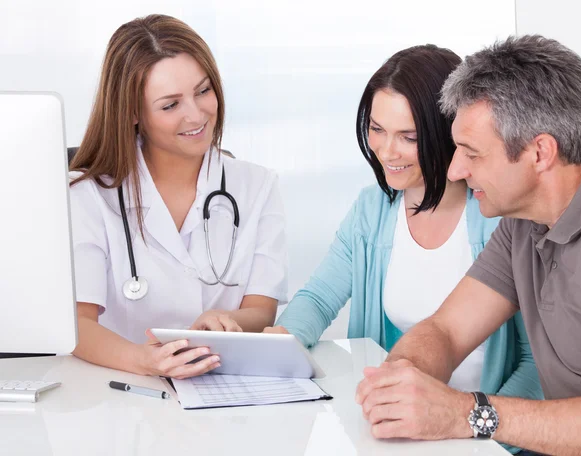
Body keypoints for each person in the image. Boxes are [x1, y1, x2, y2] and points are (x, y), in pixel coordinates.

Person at [265, 45, 541, 453]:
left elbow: (535, 366)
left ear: (451, 132)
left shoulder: (500, 217)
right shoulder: (373, 211)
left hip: (486, 437)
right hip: (400, 436)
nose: (386, 151)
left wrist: (481, 438)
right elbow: (320, 298)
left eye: (408, 137)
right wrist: (278, 345)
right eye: (377, 129)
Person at [356, 35, 581, 456]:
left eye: (471, 153)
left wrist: (467, 414)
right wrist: (400, 379)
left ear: (540, 152)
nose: (453, 170)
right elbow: (447, 330)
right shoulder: (521, 223)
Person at [69, 14, 287, 379]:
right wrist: (145, 361)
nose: (197, 114)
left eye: (203, 91)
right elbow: (77, 324)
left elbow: (261, 310)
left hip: (223, 391)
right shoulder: (87, 194)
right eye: (170, 105)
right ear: (133, 112)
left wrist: (225, 320)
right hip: (119, 393)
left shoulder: (257, 185)